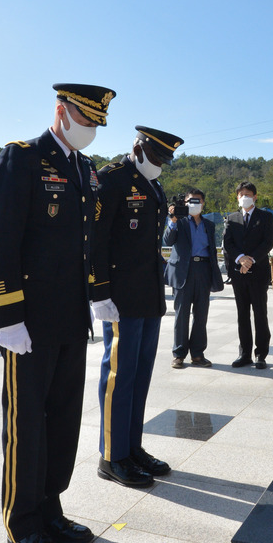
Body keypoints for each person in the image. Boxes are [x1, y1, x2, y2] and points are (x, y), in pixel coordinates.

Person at [0, 81, 116, 543]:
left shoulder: (83, 168)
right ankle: (21, 523)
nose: (91, 132)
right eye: (85, 121)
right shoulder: (22, 159)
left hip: (69, 319)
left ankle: (50, 507)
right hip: (28, 322)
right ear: (61, 112)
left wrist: (96, 298)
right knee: (26, 425)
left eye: (97, 125)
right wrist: (7, 316)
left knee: (62, 421)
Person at [93, 126, 184, 488]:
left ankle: (131, 447)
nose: (160, 165)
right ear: (138, 148)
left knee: (140, 375)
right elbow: (95, 240)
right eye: (156, 157)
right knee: (118, 377)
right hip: (119, 297)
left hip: (147, 295)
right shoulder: (111, 179)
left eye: (165, 160)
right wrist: (98, 292)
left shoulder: (153, 185)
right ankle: (112, 457)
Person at [164, 188, 224, 368]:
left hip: (203, 269)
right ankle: (179, 353)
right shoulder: (179, 221)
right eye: (191, 201)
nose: (194, 204)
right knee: (181, 314)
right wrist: (173, 220)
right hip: (183, 270)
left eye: (198, 201)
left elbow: (212, 250)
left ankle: (197, 354)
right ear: (185, 203)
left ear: (203, 204)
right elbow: (168, 240)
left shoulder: (209, 225)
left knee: (201, 314)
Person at [223, 181, 273, 369]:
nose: (244, 197)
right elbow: (227, 243)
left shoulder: (265, 217)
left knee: (260, 313)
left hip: (258, 273)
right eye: (240, 194)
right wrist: (240, 259)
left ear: (255, 196)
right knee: (242, 314)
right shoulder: (232, 218)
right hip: (239, 274)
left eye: (248, 194)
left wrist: (251, 259)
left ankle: (261, 354)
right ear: (237, 197)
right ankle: (244, 353)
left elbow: (268, 242)